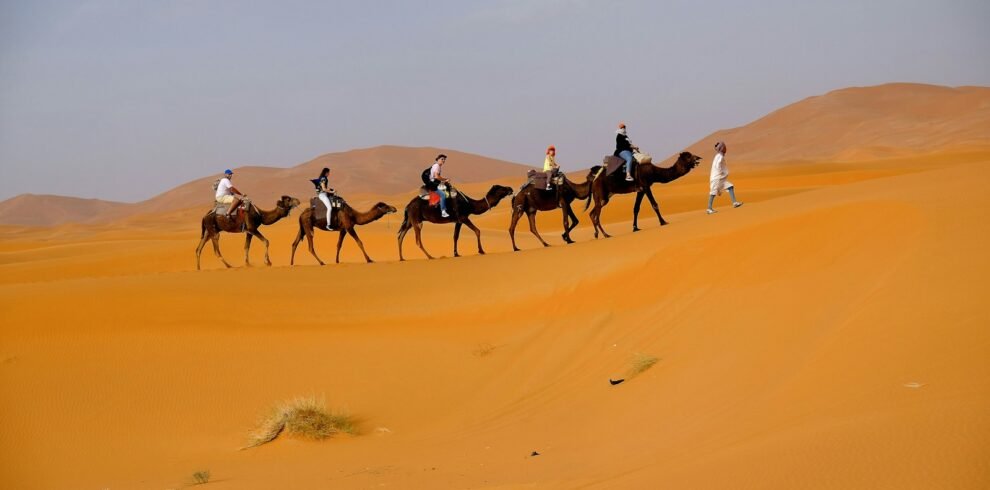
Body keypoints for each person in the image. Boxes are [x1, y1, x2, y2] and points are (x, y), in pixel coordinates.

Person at [706, 141, 743, 214]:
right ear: (721, 148)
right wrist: (720, 172)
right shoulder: (719, 156)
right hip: (717, 178)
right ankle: (709, 208)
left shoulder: (719, 156)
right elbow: (717, 165)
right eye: (724, 147)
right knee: (713, 192)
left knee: (730, 186)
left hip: (721, 178)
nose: (725, 148)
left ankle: (734, 203)